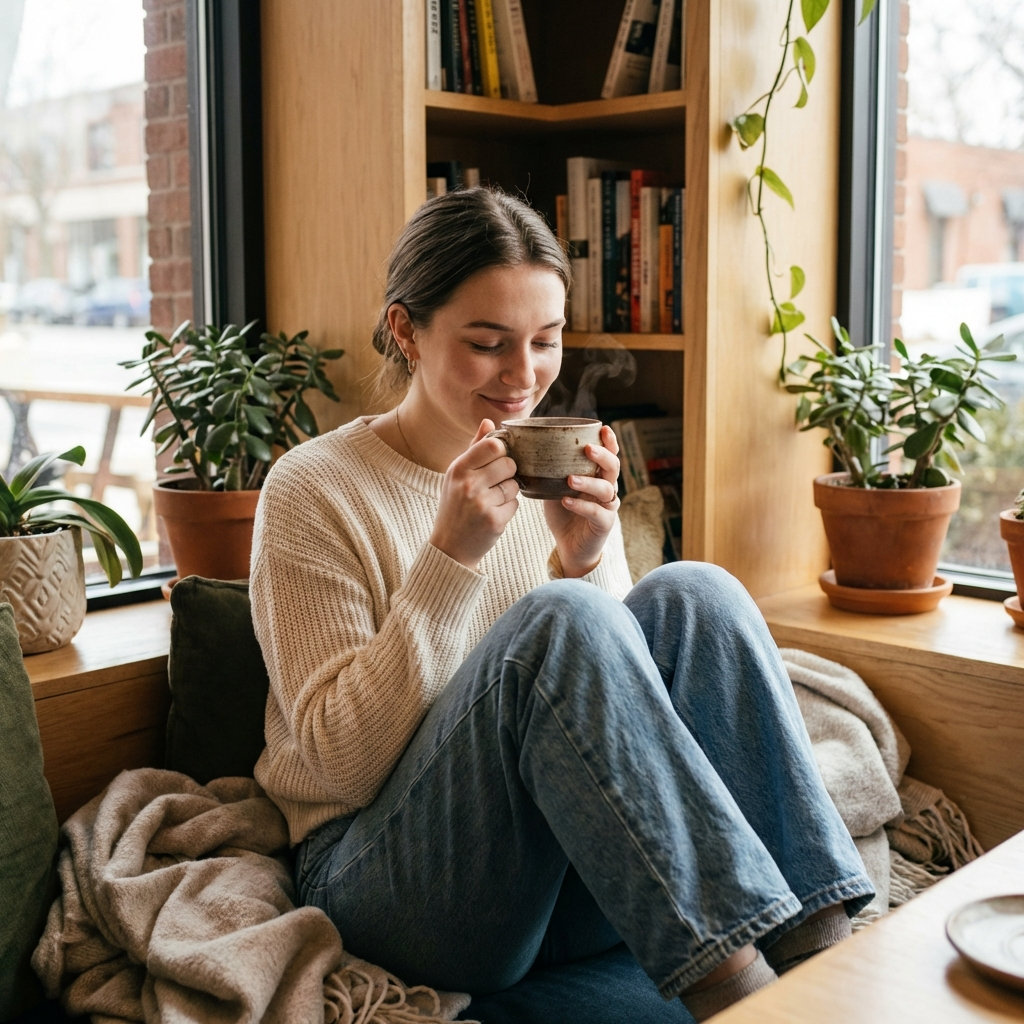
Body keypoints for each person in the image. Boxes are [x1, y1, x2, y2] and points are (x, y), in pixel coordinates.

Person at [249, 187, 873, 1020]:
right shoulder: (313, 489)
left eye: (545, 341)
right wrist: (449, 558)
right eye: (487, 344)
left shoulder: (552, 467)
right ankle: (745, 1003)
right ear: (406, 330)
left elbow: (626, 728)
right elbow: (344, 767)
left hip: (568, 867)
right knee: (561, 620)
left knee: (696, 592)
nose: (523, 377)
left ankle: (829, 959)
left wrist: (583, 559)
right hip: (387, 883)